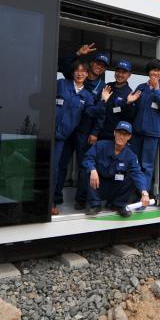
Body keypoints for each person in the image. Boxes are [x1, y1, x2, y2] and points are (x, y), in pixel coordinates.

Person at [52, 61, 103, 215]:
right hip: (51, 133)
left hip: (65, 136)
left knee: (59, 167)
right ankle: (52, 201)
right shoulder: (61, 84)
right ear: (72, 72)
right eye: (77, 71)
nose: (80, 73)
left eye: (83, 71)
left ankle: (56, 202)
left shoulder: (86, 95)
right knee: (54, 168)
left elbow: (92, 112)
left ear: (87, 75)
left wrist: (103, 101)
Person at [82, 121, 150, 217]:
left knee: (131, 177)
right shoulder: (100, 145)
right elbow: (88, 158)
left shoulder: (131, 156)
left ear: (129, 137)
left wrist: (144, 193)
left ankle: (118, 205)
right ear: (114, 133)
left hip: (115, 187)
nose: (121, 136)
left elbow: (137, 173)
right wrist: (93, 170)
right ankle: (95, 205)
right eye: (119, 133)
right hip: (98, 185)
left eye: (125, 134)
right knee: (88, 171)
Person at [130, 59, 160, 192]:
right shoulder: (141, 87)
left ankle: (143, 195)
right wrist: (129, 102)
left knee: (147, 165)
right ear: (148, 72)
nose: (156, 73)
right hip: (136, 132)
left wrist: (157, 89)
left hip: (152, 133)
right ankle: (132, 193)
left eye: (159, 70)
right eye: (153, 69)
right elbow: (133, 109)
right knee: (134, 164)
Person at [91, 59, 140, 142]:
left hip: (115, 138)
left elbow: (129, 118)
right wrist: (94, 132)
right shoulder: (107, 86)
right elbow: (97, 109)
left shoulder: (129, 94)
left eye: (124, 72)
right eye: (118, 71)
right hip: (97, 134)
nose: (120, 74)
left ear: (129, 75)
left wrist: (127, 103)